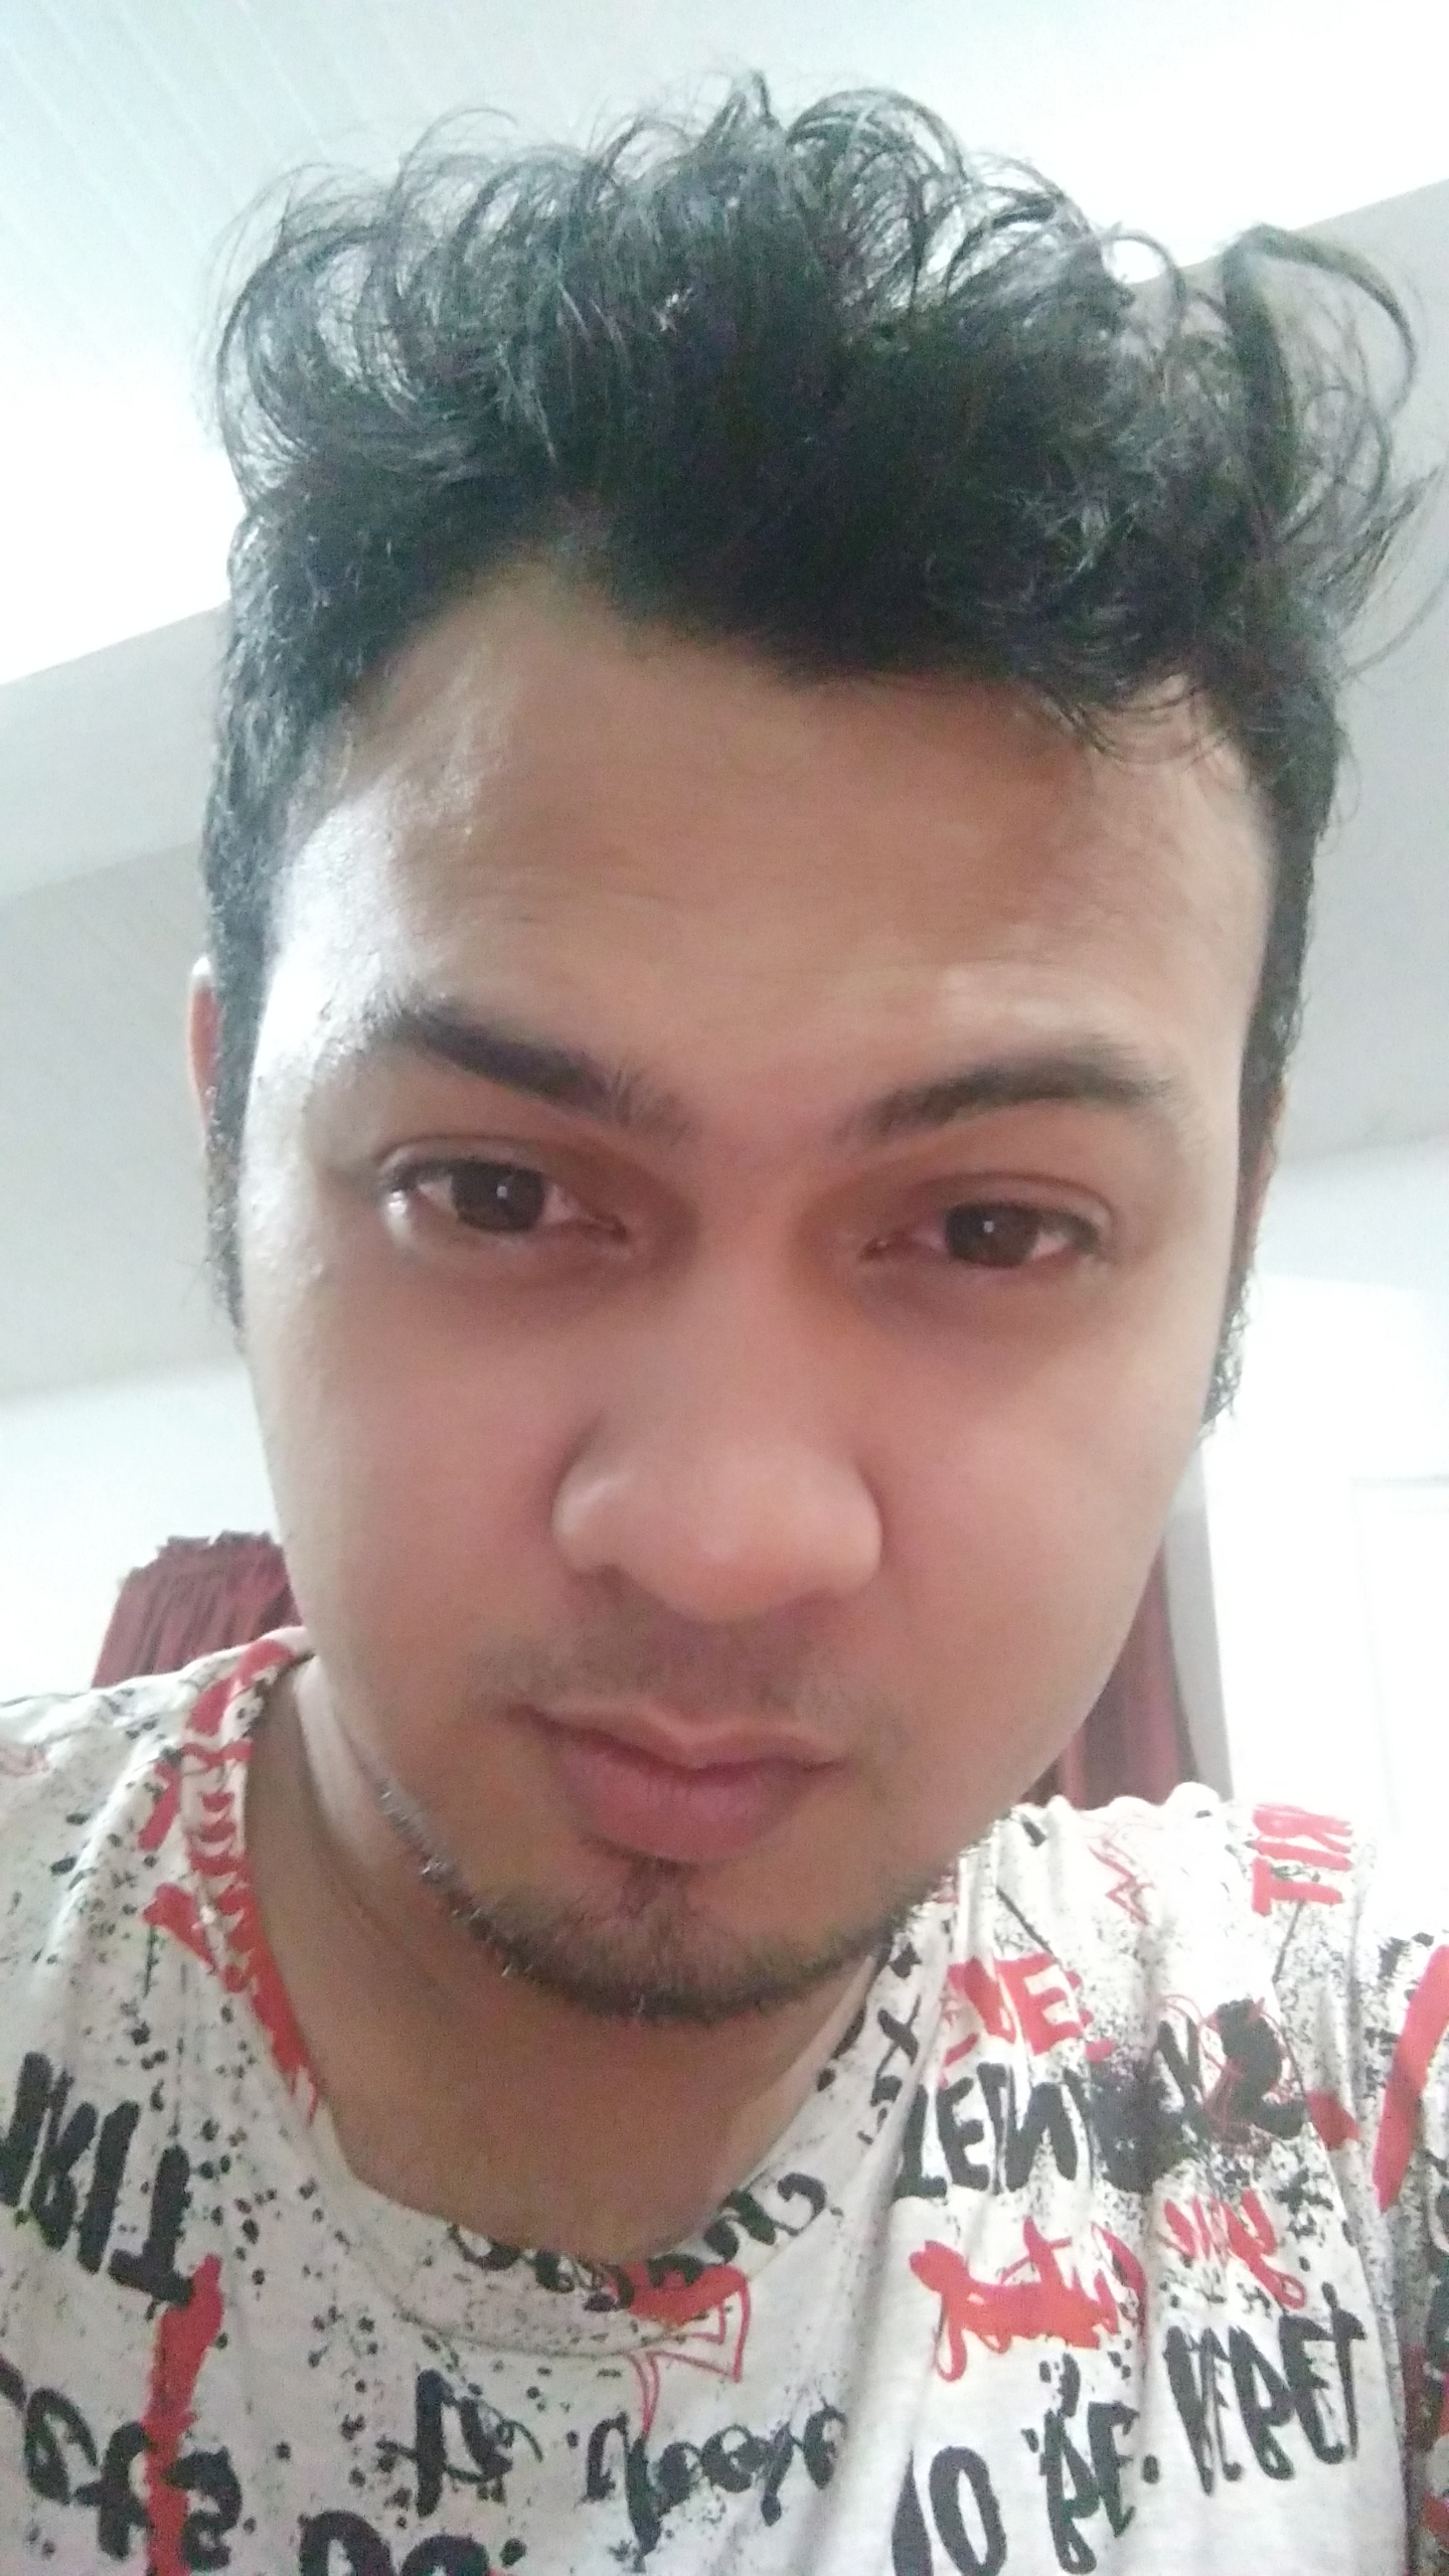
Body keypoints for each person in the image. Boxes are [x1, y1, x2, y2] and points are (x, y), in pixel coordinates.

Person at [0, 81, 1443, 2576]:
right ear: (231, 1140)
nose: (719, 1535)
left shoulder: (1338, 2106)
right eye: (493, 1188)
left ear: (1228, 1231)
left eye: (990, 1227)